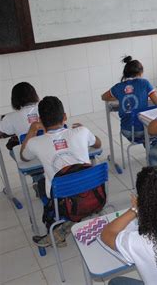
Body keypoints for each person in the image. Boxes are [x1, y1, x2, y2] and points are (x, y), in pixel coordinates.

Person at [20, 96, 102, 246]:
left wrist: (32, 130)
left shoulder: (35, 143)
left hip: (61, 198)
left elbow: (23, 157)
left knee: (40, 183)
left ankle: (58, 226)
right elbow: (98, 144)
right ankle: (71, 222)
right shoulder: (81, 131)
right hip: (92, 191)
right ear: (65, 116)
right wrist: (85, 130)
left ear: (40, 120)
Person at [101, 56, 157, 142]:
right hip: (142, 130)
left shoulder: (118, 86)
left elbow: (103, 97)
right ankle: (153, 151)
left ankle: (149, 148)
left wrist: (120, 96)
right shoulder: (144, 83)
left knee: (147, 134)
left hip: (126, 130)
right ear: (141, 72)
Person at [0, 82, 44, 195]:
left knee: (12, 150)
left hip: (30, 156)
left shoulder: (10, 118)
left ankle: (38, 178)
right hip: (48, 149)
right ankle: (40, 178)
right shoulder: (45, 109)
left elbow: (3, 131)